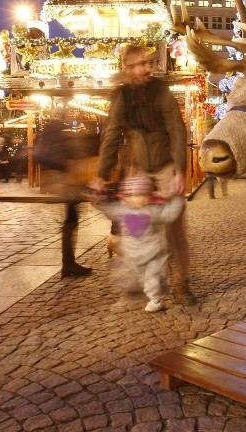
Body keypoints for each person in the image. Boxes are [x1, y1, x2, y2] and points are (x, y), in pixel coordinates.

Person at [91, 44, 196, 306]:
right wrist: (102, 175)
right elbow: (112, 135)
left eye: (145, 63)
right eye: (135, 65)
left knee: (174, 225)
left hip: (165, 164)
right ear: (126, 69)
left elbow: (176, 129)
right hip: (138, 168)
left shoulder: (161, 91)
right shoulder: (122, 97)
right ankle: (143, 276)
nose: (142, 69)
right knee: (135, 224)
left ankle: (180, 281)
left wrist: (180, 170)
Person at [92, 175, 184, 312]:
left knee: (151, 278)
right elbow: (109, 210)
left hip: (153, 253)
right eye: (132, 195)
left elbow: (168, 214)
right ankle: (157, 287)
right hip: (133, 254)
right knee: (140, 279)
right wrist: (99, 201)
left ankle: (156, 299)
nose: (137, 199)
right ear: (125, 197)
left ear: (149, 196)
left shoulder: (152, 211)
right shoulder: (122, 210)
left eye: (141, 195)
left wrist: (177, 198)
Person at [36, 119, 92, 277]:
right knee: (71, 219)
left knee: (71, 218)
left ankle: (68, 262)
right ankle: (68, 264)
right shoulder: (63, 139)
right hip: (66, 182)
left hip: (59, 181)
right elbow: (74, 158)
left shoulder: (49, 140)